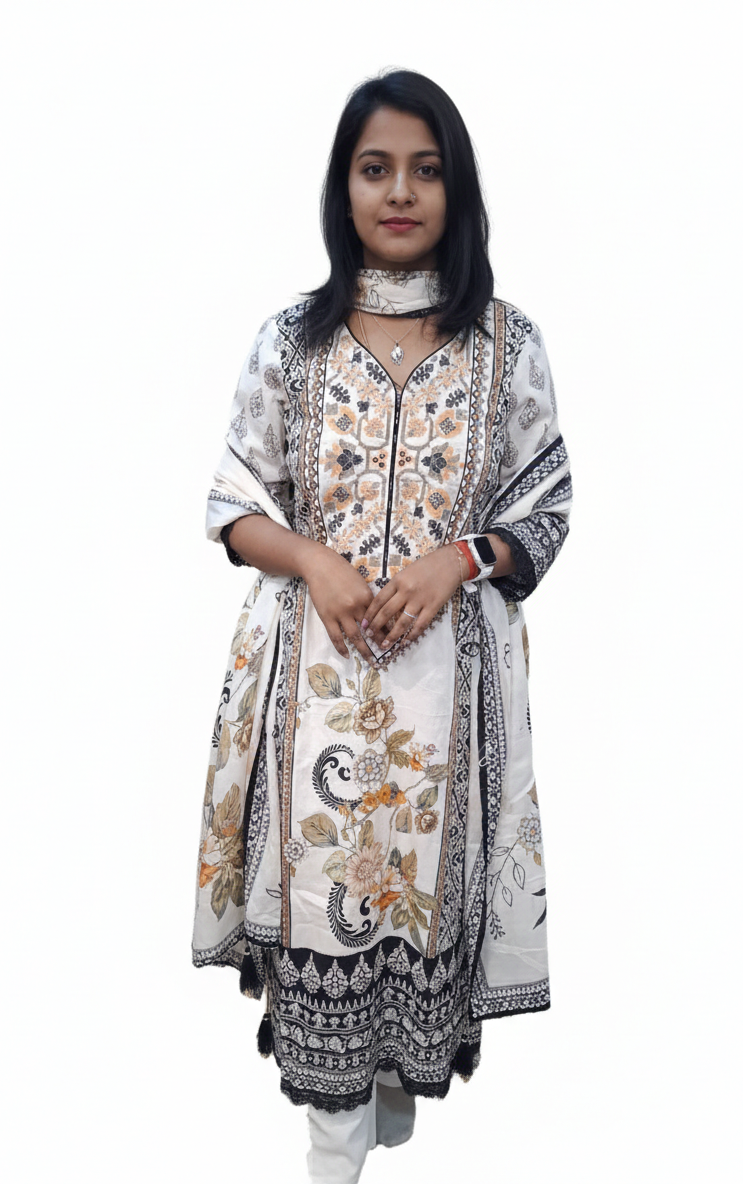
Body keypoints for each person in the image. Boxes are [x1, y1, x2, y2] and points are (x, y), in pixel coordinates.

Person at [191, 69, 572, 1184]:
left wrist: (459, 558)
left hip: (448, 698)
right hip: (313, 690)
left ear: (458, 189)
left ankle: (396, 1073)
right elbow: (232, 503)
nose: (399, 191)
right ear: (342, 187)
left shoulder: (507, 344)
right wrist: (313, 558)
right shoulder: (291, 342)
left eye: (425, 169)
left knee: (421, 903)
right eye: (375, 168)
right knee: (323, 899)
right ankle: (334, 1137)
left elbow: (546, 507)